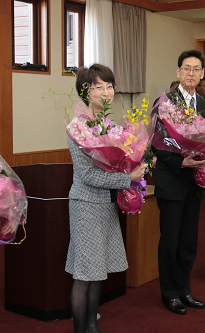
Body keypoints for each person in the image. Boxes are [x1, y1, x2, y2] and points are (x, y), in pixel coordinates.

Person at [66, 64, 147, 333]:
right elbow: (87, 175)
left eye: (110, 86)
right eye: (98, 86)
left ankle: (92, 327)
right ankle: (81, 329)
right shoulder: (77, 127)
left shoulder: (110, 125)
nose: (106, 92)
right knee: (85, 274)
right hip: (86, 205)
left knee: (97, 271)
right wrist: (129, 179)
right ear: (85, 91)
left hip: (106, 204)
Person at [153, 49, 205, 315]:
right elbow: (157, 143)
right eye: (186, 68)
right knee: (171, 241)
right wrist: (180, 161)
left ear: (202, 74)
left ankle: (185, 289)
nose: (191, 74)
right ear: (178, 72)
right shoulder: (164, 102)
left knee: (189, 241)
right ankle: (169, 293)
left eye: (196, 69)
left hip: (194, 183)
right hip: (172, 180)